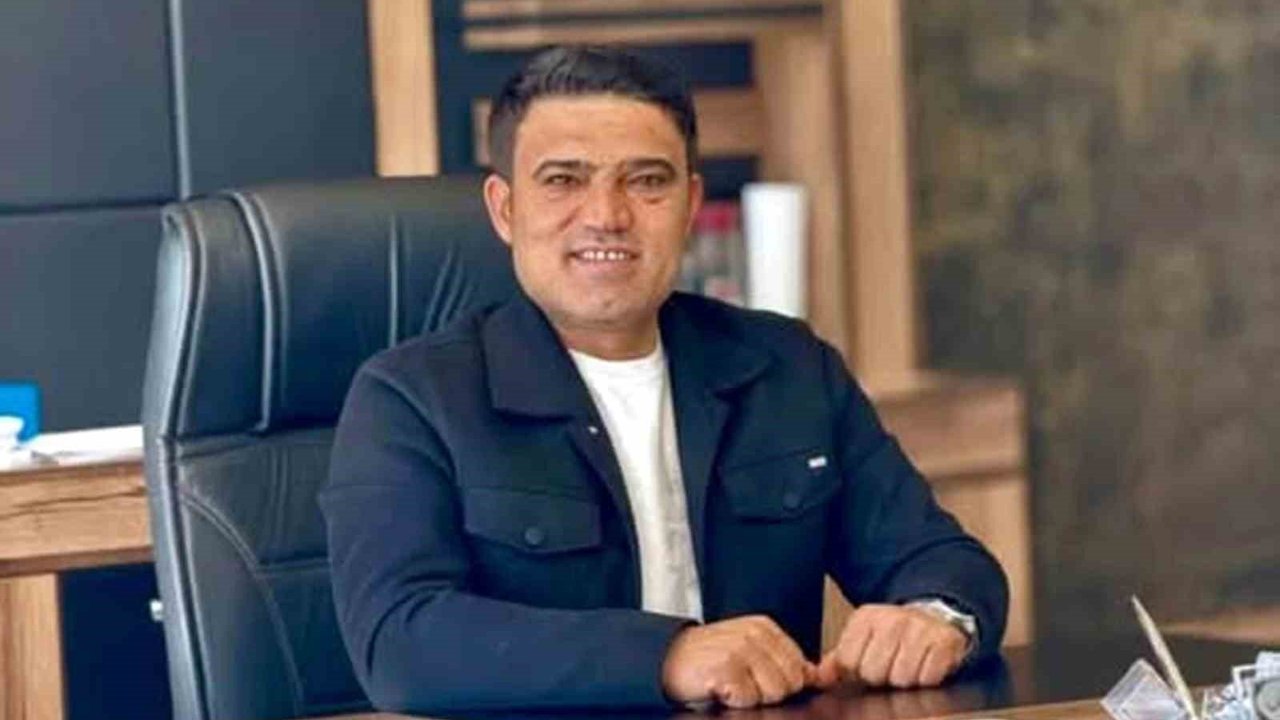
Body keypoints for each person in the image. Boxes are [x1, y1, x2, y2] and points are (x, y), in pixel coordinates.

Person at [321, 45, 1008, 714]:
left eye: (647, 180)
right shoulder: (411, 398)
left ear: (690, 203)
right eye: (563, 180)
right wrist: (666, 657)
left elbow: (945, 561)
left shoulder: (787, 367)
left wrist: (936, 618)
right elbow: (400, 639)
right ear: (505, 209)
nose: (606, 215)